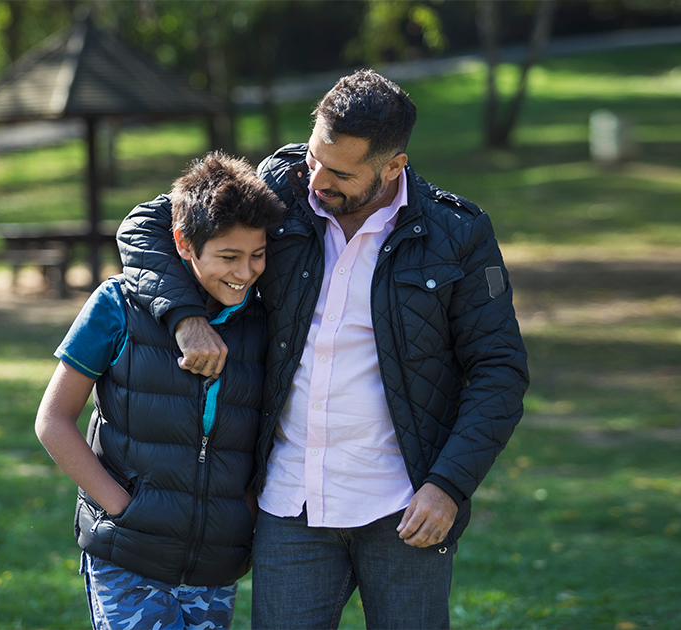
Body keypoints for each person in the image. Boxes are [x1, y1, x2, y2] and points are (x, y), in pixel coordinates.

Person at [116, 70, 529, 630]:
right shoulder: (281, 185)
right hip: (289, 503)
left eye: (339, 172)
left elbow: (498, 370)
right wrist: (186, 319)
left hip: (405, 506)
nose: (317, 179)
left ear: (393, 167)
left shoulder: (458, 233)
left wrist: (448, 485)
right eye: (314, 157)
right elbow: (145, 225)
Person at [35, 151, 285, 630]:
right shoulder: (118, 304)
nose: (245, 271)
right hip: (128, 555)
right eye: (228, 257)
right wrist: (123, 507)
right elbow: (53, 420)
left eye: (257, 255)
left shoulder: (264, 322)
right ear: (184, 244)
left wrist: (242, 515)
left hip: (216, 565)